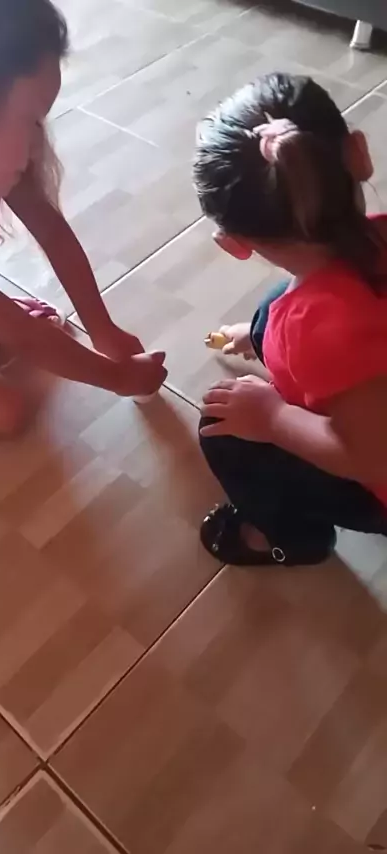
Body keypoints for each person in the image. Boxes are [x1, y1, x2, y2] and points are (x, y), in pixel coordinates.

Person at [0, 0, 167, 437]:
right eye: (31, 119)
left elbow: (50, 228)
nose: (37, 141)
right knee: (3, 410)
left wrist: (103, 330)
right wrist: (120, 378)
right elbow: (25, 337)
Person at [193, 72, 387, 567]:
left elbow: (372, 457)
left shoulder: (320, 331)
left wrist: (274, 419)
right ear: (359, 154)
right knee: (275, 307)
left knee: (222, 428)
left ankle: (292, 539)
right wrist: (264, 336)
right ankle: (261, 339)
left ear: (233, 244)